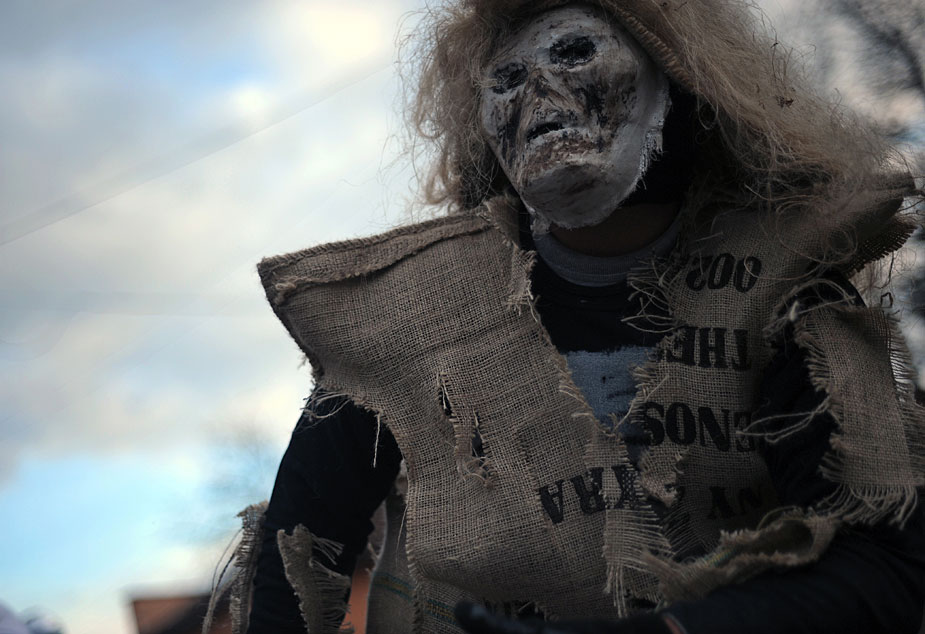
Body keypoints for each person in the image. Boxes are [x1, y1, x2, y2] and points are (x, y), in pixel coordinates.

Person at [221, 1, 925, 633]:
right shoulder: (410, 312)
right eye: (505, 80)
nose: (537, 93)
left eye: (575, 53)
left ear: (678, 79)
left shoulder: (784, 284)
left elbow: (884, 565)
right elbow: (294, 556)